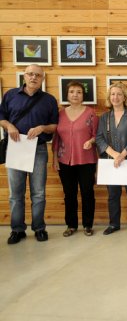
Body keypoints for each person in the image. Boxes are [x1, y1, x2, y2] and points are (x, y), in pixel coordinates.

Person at [0, 64, 59, 244]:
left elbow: (54, 126)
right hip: (16, 148)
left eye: (38, 75)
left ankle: (39, 228)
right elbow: (1, 117)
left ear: (42, 79)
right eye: (30, 74)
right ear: (24, 76)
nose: (34, 77)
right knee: (15, 194)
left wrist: (42, 127)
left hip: (39, 149)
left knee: (38, 193)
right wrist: (9, 126)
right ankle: (17, 230)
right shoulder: (10, 95)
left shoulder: (49, 100)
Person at [95, 82, 127, 235]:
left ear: (125, 97)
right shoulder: (104, 117)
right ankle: (114, 224)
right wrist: (115, 155)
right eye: (113, 94)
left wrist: (122, 154)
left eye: (119, 94)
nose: (115, 97)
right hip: (111, 162)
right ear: (109, 97)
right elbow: (99, 139)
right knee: (113, 195)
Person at [52, 81, 99, 237]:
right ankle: (71, 225)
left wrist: (91, 141)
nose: (75, 95)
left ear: (83, 95)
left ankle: (87, 225)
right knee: (69, 194)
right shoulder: (60, 114)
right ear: (67, 95)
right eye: (72, 91)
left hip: (86, 160)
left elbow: (96, 136)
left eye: (78, 92)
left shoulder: (91, 113)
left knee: (87, 192)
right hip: (65, 161)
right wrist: (54, 158)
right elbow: (56, 138)